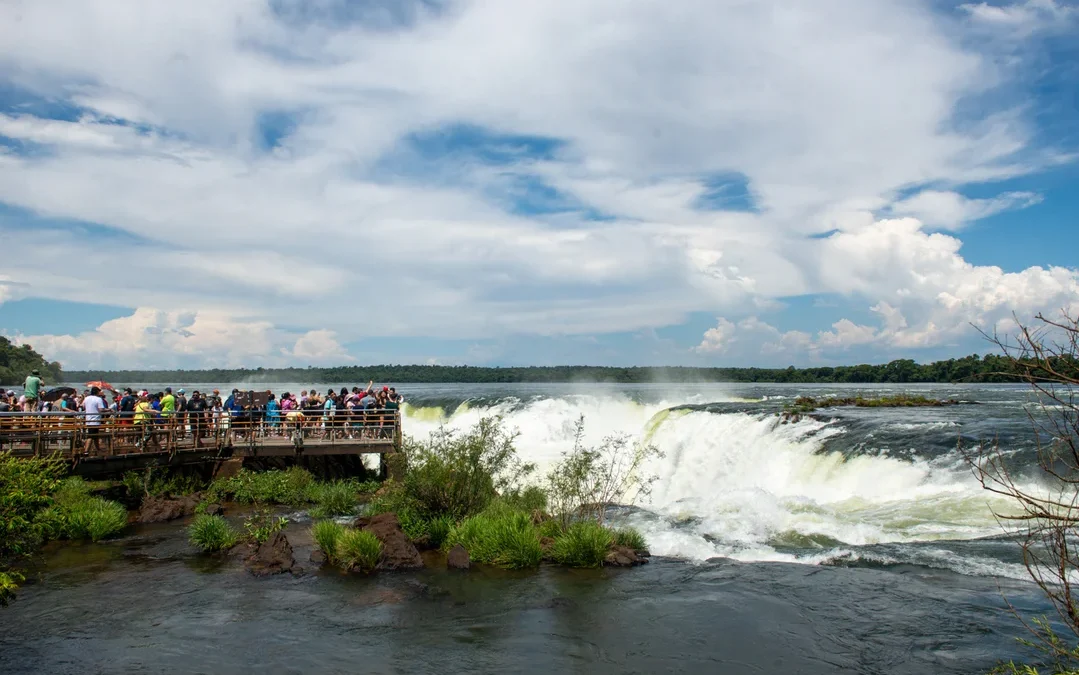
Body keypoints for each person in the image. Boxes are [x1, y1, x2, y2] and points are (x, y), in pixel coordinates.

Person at [81, 386, 109, 456]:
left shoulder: (86, 398)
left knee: (95, 435)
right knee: (91, 436)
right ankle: (86, 451)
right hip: (95, 420)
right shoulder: (98, 399)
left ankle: (98, 449)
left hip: (88, 419)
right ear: (97, 392)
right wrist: (109, 410)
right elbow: (101, 409)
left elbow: (82, 406)